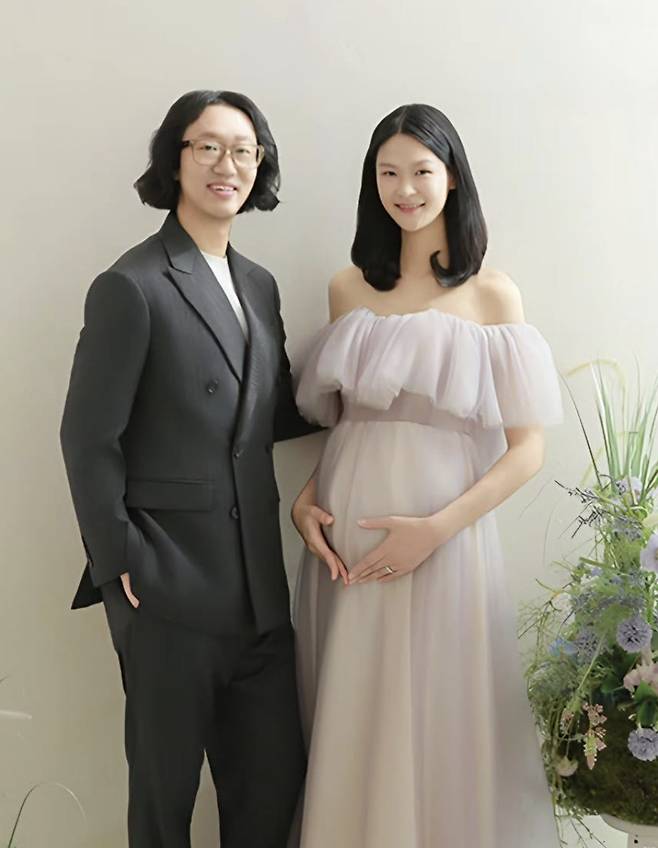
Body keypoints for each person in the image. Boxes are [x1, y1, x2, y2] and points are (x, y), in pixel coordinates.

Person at [289, 104, 563, 847]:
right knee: (356, 711)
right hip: (347, 543)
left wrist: (434, 531)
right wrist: (306, 501)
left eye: (421, 171)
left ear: (453, 178)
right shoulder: (348, 288)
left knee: (443, 711)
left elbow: (527, 449)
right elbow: (348, 426)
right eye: (388, 173)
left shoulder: (491, 294)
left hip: (444, 541)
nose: (404, 189)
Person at [60, 89, 318, 848]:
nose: (225, 164)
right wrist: (119, 563)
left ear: (259, 166)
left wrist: (378, 390)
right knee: (163, 806)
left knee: (271, 797)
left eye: (243, 150)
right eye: (207, 146)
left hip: (259, 595)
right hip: (166, 588)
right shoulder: (132, 284)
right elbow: (87, 436)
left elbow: (269, 415)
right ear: (174, 160)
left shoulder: (260, 284)